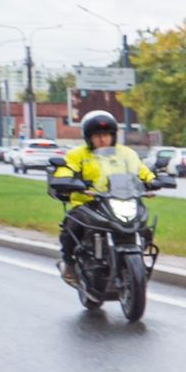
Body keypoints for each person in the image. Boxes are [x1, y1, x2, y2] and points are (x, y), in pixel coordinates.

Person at [54, 109, 153, 266]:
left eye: (106, 135)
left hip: (120, 199)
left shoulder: (126, 153)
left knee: (144, 226)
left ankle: (139, 257)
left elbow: (141, 170)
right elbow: (66, 169)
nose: (102, 139)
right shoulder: (77, 154)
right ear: (89, 137)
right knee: (71, 227)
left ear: (113, 136)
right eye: (97, 136)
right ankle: (69, 265)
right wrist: (66, 181)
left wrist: (152, 182)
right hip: (88, 202)